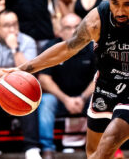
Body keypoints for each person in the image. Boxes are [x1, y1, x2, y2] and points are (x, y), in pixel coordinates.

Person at [0, 0, 129, 158]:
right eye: (115, 2)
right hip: (108, 84)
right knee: (93, 152)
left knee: (111, 138)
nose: (120, 10)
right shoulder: (97, 19)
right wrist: (24, 69)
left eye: (127, 4)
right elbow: (67, 48)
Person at [0, 10, 41, 159]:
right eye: (6, 25)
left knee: (31, 97)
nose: (12, 29)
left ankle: (32, 148)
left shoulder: (27, 41)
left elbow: (29, 72)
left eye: (14, 24)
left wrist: (15, 48)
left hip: (22, 88)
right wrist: (17, 72)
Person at [38, 13, 96, 159]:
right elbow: (44, 79)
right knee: (45, 101)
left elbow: (100, 77)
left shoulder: (92, 47)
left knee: (103, 98)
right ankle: (47, 149)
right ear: (60, 31)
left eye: (77, 27)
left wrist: (82, 98)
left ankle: (97, 148)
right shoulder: (51, 47)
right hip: (59, 98)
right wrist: (66, 100)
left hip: (85, 98)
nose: (73, 31)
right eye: (68, 28)